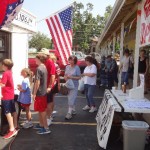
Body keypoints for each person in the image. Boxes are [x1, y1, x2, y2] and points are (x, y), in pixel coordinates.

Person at [32, 53, 50, 134]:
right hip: (43, 91)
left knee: (42, 111)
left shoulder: (39, 68)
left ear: (39, 59)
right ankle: (41, 124)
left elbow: (37, 82)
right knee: (40, 109)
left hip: (40, 93)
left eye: (36, 58)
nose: (34, 60)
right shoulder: (44, 67)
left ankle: (46, 128)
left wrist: (34, 93)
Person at [0, 59, 18, 139]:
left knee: (7, 112)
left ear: (5, 66)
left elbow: (2, 84)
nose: (1, 66)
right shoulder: (10, 72)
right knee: (13, 111)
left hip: (6, 95)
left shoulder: (5, 73)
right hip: (10, 94)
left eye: (2, 64)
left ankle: (12, 129)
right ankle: (15, 126)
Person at [39, 48, 56, 126]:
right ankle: (45, 120)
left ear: (46, 55)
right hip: (44, 86)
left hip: (48, 86)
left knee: (49, 103)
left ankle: (48, 118)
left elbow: (53, 75)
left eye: (42, 54)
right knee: (45, 103)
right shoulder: (45, 62)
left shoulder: (50, 63)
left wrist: (49, 86)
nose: (40, 55)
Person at [64, 56, 81, 120]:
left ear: (75, 61)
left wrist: (71, 77)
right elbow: (65, 75)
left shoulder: (77, 68)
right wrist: (65, 77)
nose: (71, 61)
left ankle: (69, 113)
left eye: (72, 60)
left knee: (71, 98)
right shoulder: (67, 67)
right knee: (70, 98)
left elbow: (79, 77)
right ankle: (73, 109)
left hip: (74, 85)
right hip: (68, 85)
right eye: (70, 60)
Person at [47, 53, 61, 125]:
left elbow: (55, 76)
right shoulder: (56, 65)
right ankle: (50, 114)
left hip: (52, 84)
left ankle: (49, 116)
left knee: (50, 101)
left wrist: (56, 84)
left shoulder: (54, 65)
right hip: (54, 84)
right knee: (52, 100)